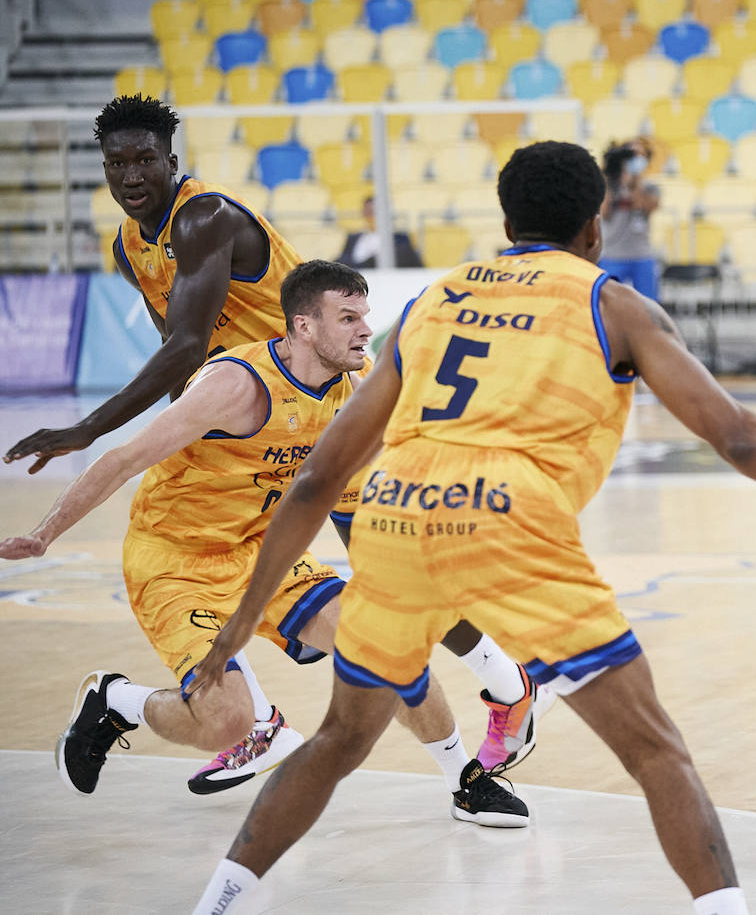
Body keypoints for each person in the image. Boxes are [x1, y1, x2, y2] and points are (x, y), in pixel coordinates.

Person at [184, 141, 756, 915]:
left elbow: (320, 476)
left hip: (393, 517)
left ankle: (215, 902)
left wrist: (245, 617)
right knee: (655, 752)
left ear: (506, 223)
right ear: (595, 228)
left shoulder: (434, 300)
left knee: (337, 738)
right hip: (507, 519)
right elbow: (741, 438)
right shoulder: (612, 303)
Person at [2, 94, 538, 790]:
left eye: (144, 160)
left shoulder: (203, 216)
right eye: (116, 163)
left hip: (322, 398)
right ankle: (254, 723)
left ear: (171, 161)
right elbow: (182, 356)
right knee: (255, 558)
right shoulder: (130, 246)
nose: (131, 175)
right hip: (254, 416)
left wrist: (85, 428)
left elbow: (186, 343)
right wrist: (191, 430)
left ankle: (502, 682)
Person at [599, 136, 661, 301]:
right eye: (632, 155)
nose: (636, 159)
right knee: (607, 302)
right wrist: (608, 175)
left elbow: (643, 205)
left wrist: (635, 181)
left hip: (641, 255)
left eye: (641, 156)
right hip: (612, 254)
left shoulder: (650, 187)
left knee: (649, 304)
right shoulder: (609, 186)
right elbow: (604, 212)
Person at [336, 195, 425, 269]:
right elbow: (342, 262)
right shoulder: (353, 238)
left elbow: (415, 266)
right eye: (368, 212)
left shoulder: (401, 239)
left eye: (374, 212)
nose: (371, 216)